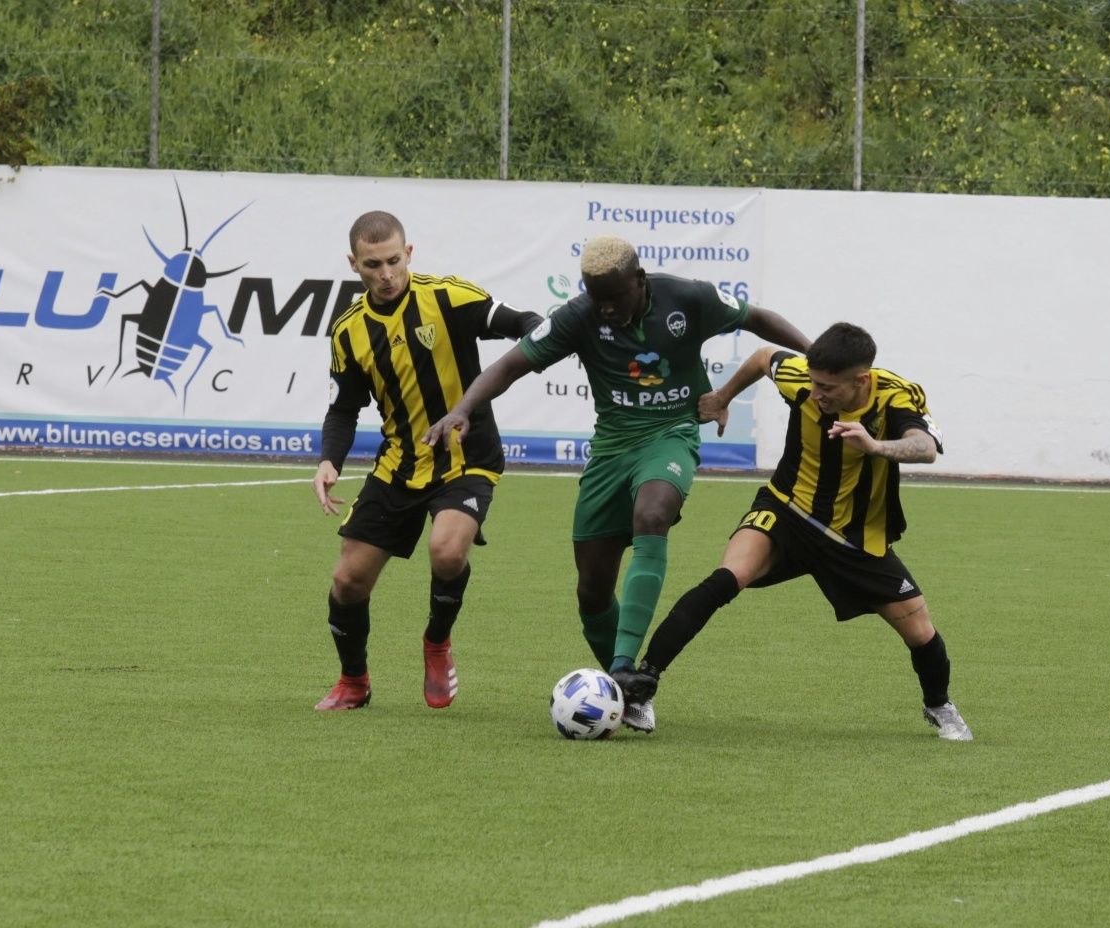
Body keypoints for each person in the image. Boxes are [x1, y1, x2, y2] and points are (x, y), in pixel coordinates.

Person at [423, 235, 808, 732]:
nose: (605, 309)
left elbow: (759, 319)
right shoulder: (579, 315)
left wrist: (816, 355)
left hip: (671, 435)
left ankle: (626, 669)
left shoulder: (687, 298)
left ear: (639, 280)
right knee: (591, 591)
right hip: (609, 450)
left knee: (652, 515)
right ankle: (625, 691)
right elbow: (510, 365)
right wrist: (462, 408)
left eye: (615, 298)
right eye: (595, 297)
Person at [614, 322, 974, 741]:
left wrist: (876, 446)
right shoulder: (800, 377)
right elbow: (764, 357)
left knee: (919, 627)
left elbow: (925, 447)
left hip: (852, 537)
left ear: (861, 380)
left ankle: (939, 706)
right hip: (786, 510)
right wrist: (722, 397)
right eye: (814, 383)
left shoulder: (895, 394)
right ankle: (643, 686)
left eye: (828, 387)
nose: (817, 393)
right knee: (727, 578)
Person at [312, 211, 542, 712]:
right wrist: (329, 459)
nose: (387, 273)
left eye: (395, 260)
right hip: (399, 463)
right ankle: (354, 681)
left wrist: (546, 337)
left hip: (467, 455)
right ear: (354, 264)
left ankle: (437, 641)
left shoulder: (446, 297)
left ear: (409, 253)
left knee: (447, 550)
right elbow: (344, 408)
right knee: (347, 581)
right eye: (373, 265)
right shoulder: (348, 332)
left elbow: (523, 323)